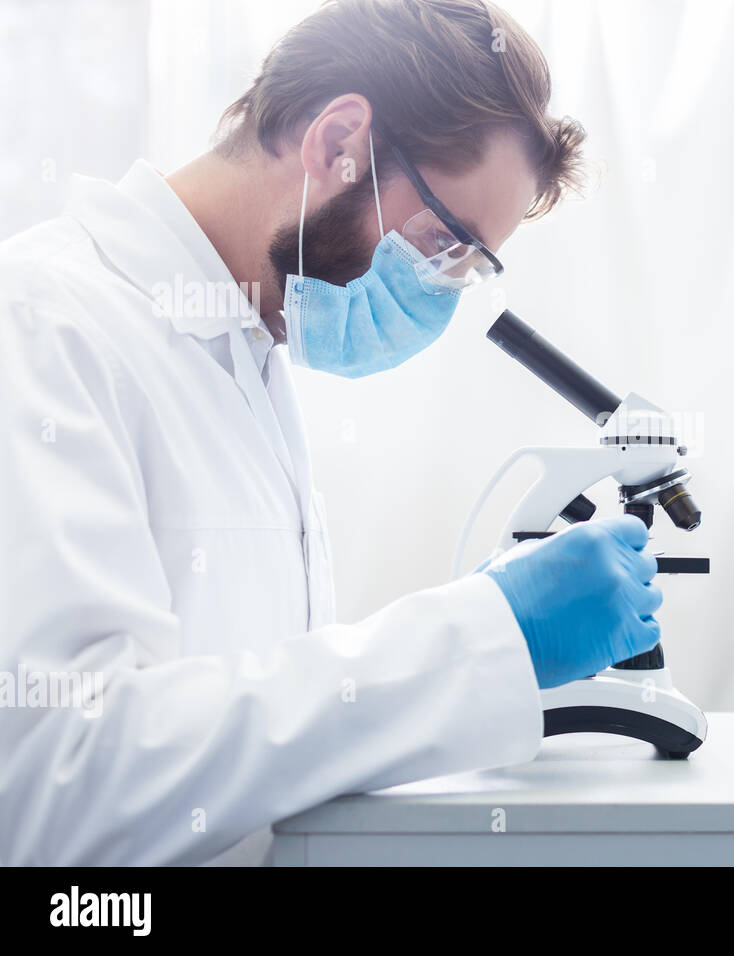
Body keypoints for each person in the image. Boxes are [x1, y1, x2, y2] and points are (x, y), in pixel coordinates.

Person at [0, 0, 661, 865]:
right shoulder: (45, 328)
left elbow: (260, 727)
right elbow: (58, 783)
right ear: (337, 143)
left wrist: (474, 641)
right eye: (444, 244)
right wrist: (480, 635)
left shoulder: (246, 355)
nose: (439, 293)